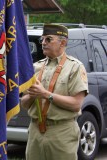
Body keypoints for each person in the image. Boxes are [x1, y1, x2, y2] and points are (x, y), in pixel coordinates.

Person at [21, 24, 88, 160]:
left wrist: (45, 94)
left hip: (61, 131)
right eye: (42, 40)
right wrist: (32, 96)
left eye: (48, 39)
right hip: (35, 130)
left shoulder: (74, 67)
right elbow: (24, 103)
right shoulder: (36, 67)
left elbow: (76, 104)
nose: (43, 43)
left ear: (62, 42)